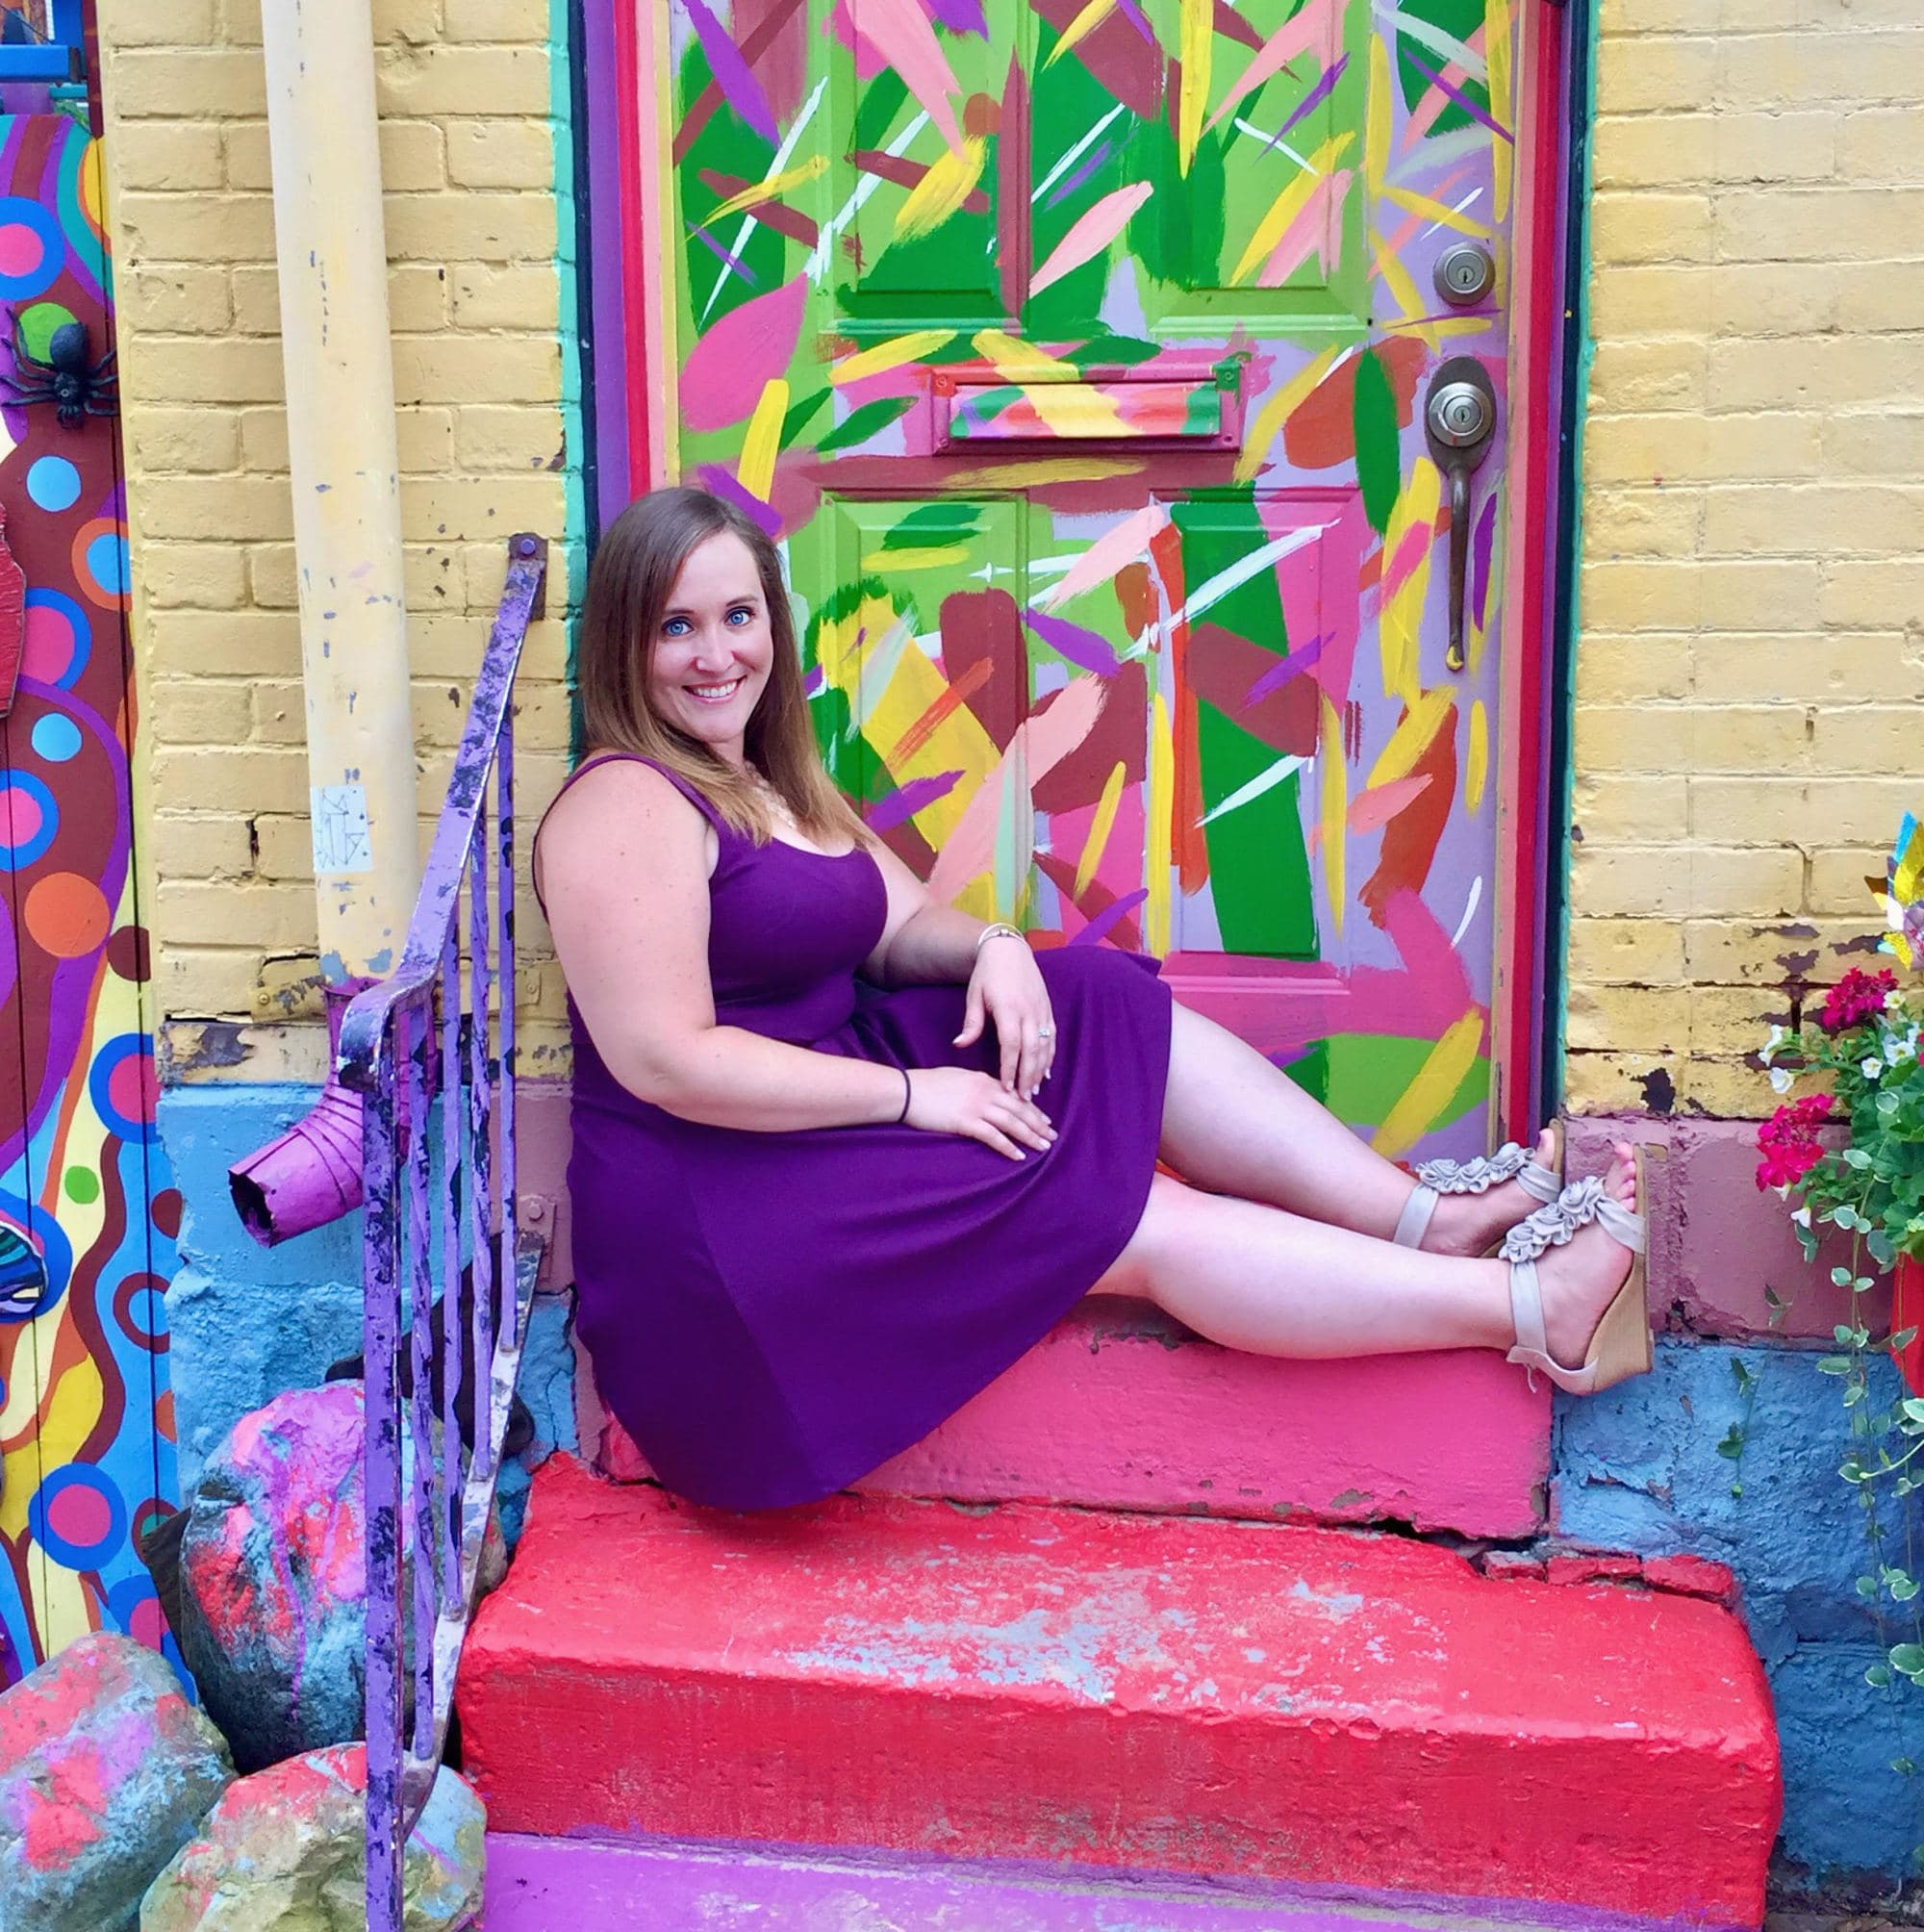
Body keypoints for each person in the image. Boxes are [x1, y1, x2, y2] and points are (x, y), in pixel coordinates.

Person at [535, 486, 1648, 1514]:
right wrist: (915, 1095)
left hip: (824, 1114)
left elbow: (899, 923)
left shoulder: (771, 784)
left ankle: (1428, 1223)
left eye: (738, 616)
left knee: (1098, 1002)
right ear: (626, 647)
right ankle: (1529, 1313)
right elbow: (667, 1061)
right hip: (723, 1217)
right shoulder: (626, 802)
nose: (715, 653)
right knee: (1109, 1208)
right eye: (676, 626)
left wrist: (998, 945)